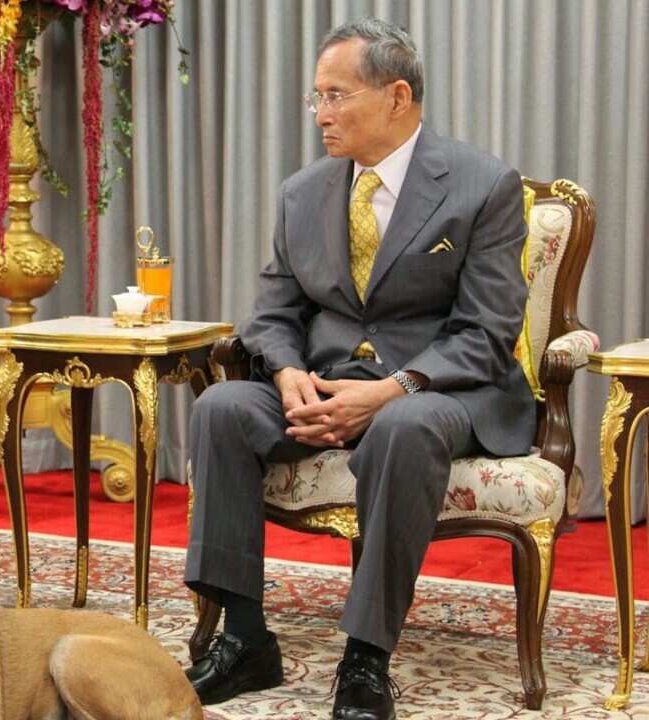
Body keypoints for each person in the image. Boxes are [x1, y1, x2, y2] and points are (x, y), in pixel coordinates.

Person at [183, 18, 532, 720]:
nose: (320, 115)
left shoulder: (482, 185)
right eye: (316, 98)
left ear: (397, 96)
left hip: (436, 390)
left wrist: (389, 390)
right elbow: (273, 314)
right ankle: (246, 639)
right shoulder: (303, 192)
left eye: (336, 96)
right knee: (219, 408)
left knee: (402, 427)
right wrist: (285, 374)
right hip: (319, 383)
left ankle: (366, 660)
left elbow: (488, 333)